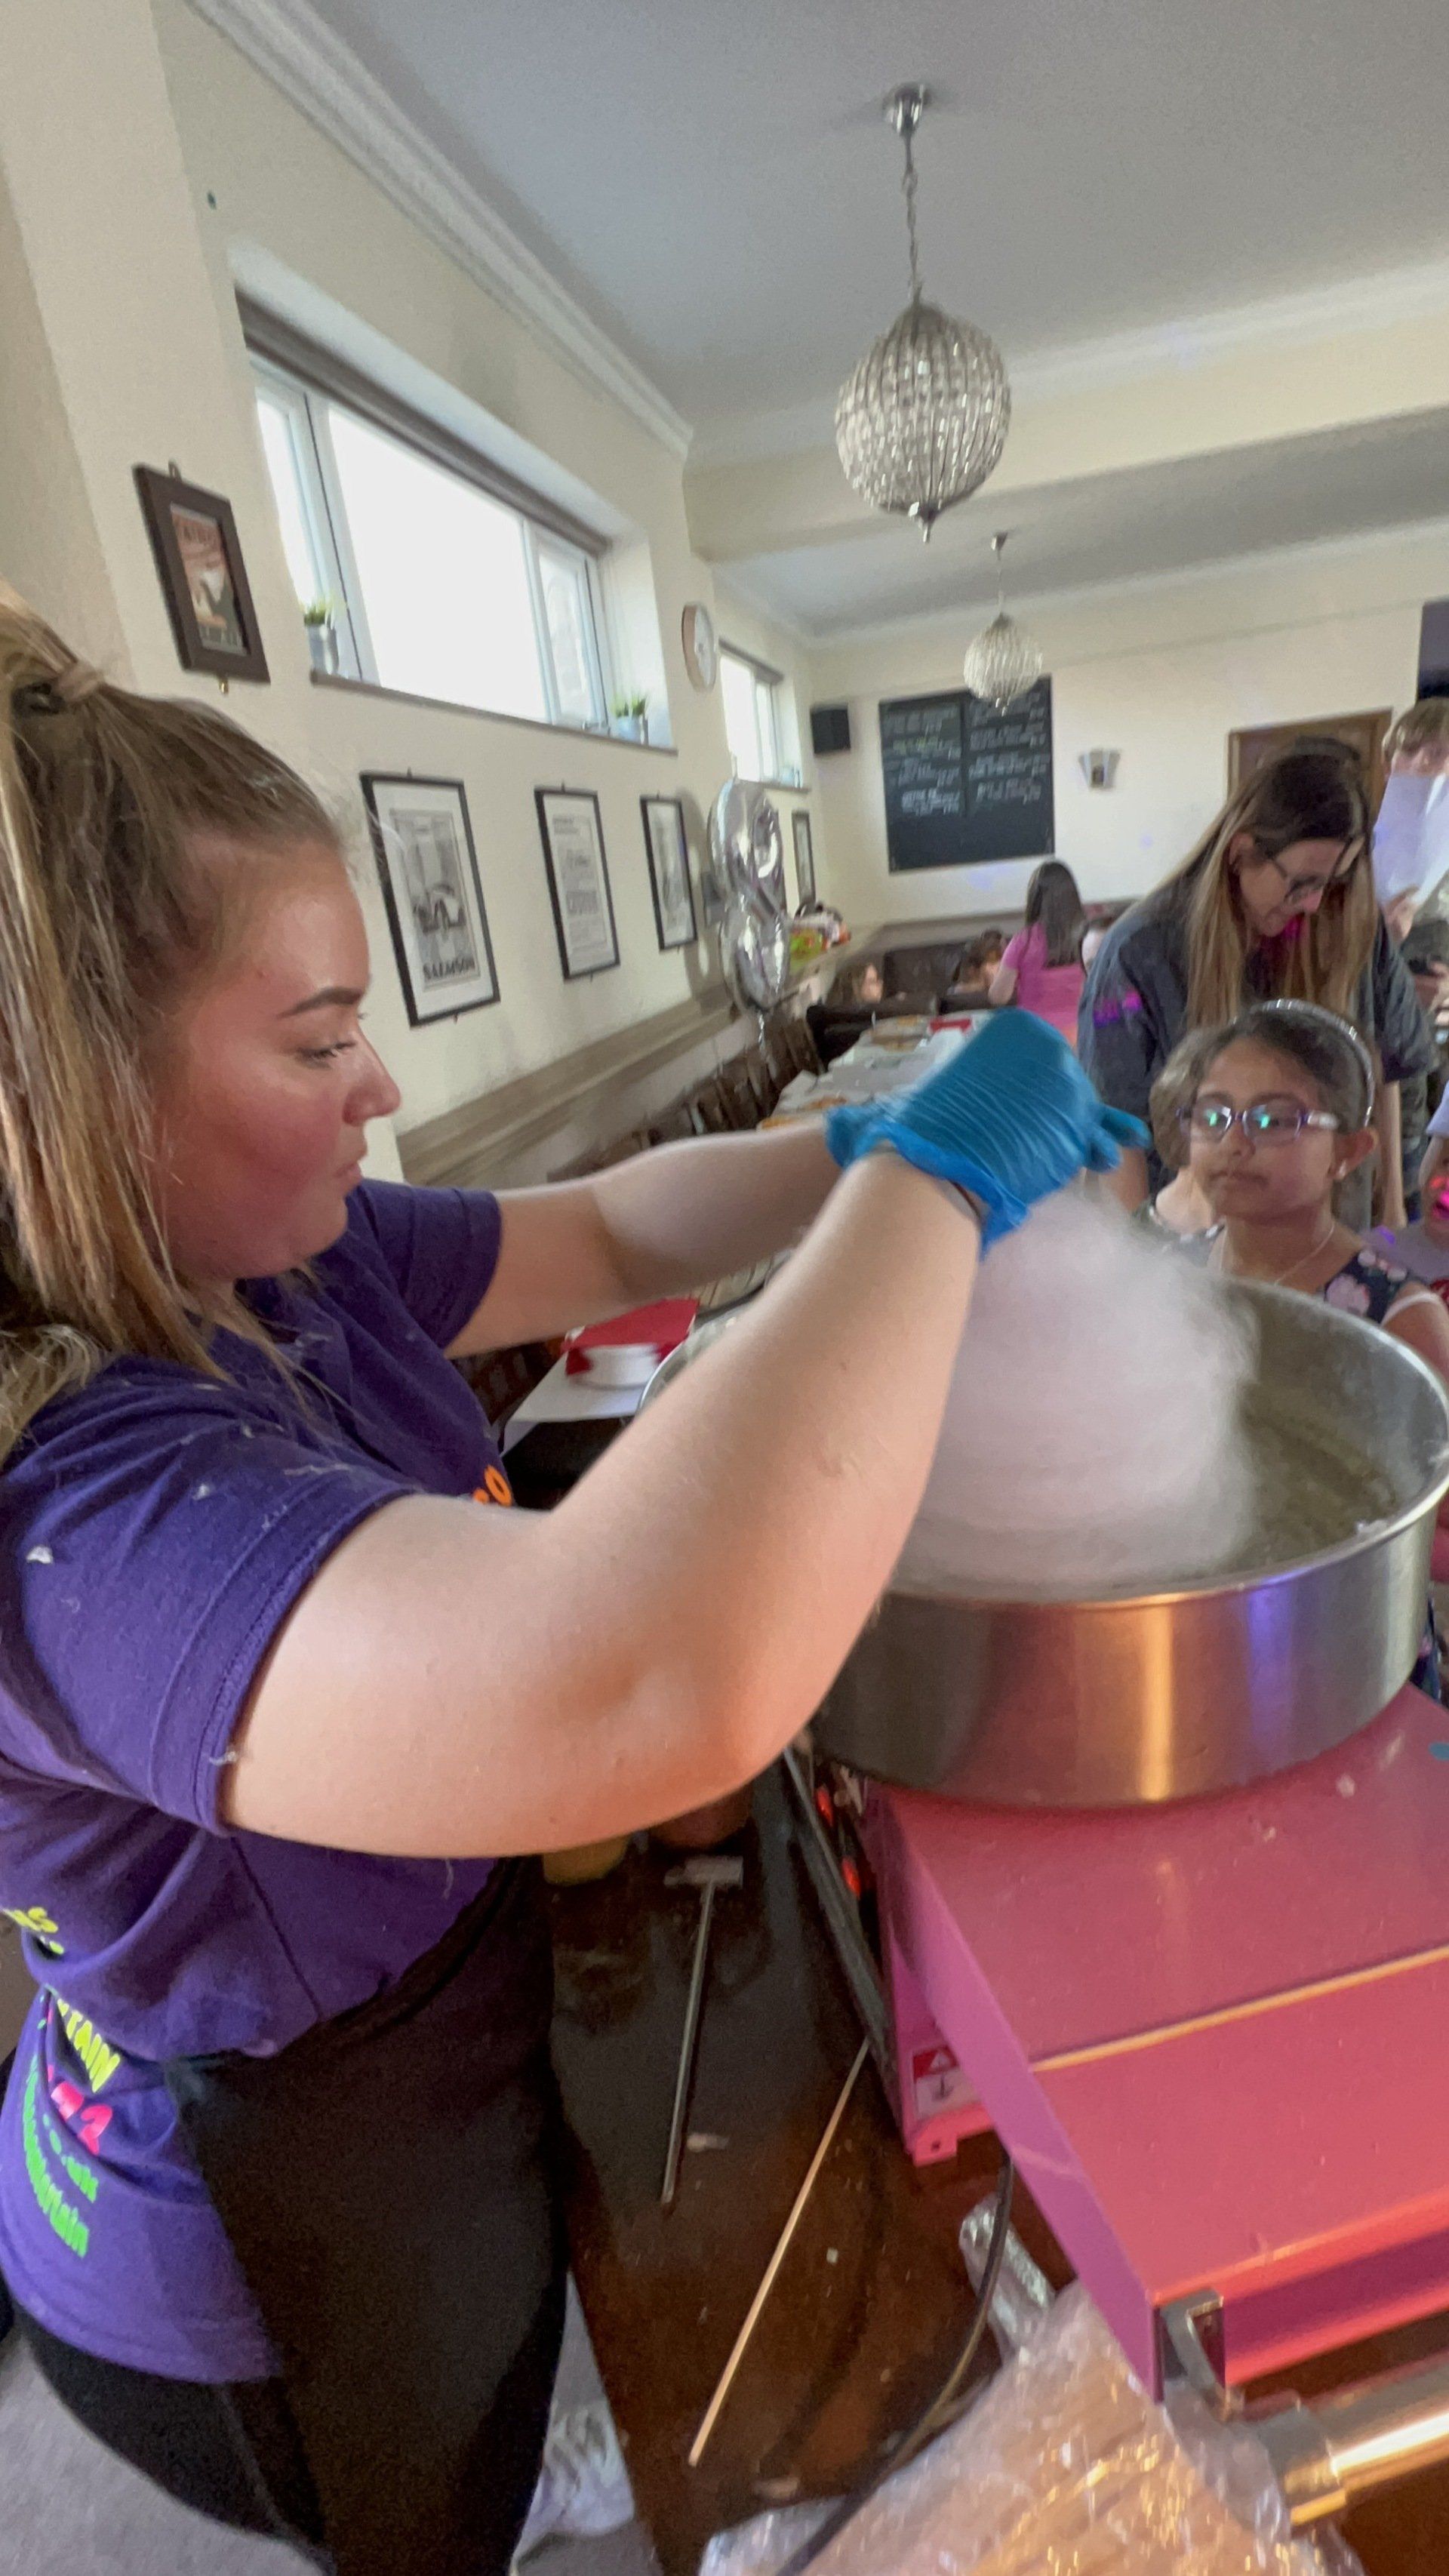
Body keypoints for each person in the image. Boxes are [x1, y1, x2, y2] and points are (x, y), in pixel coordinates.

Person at [0, 609, 1139, 2574]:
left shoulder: (278, 1258)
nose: (378, 1084)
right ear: (71, 1087)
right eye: (315, 1038)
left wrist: (868, 1144)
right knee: (430, 2501)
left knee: (521, 2377)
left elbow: (608, 1223)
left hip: (427, 2052)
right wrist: (934, 1189)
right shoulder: (80, 1513)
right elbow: (652, 1669)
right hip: (257, 2245)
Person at [1171, 998, 1449, 1689]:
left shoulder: (1397, 1318)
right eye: (1213, 1115)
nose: (1235, 1142)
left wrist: (1340, 1554)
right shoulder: (1172, 1277)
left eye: (1274, 1120)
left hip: (1346, 1643)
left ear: (1349, 1153)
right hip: (1202, 1632)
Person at [1079, 749, 1435, 1230]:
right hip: (1200, 1240)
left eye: (1332, 883)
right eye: (1301, 883)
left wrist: (1391, 1212)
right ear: (1241, 852)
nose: (1314, 904)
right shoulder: (1140, 951)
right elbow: (1117, 1125)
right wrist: (1141, 1257)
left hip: (1334, 1228)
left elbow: (1387, 1065)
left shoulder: (1350, 922)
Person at [989, 860, 1086, 1042]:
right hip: (1081, 1036)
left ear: (1035, 899)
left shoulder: (1023, 942)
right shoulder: (1086, 937)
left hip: (1035, 1038)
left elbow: (998, 997)